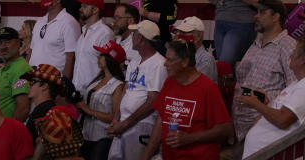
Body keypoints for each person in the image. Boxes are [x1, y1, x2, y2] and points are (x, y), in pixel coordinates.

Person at [239, 37, 305, 158]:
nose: (290, 55)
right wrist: (266, 104)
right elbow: (282, 114)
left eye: (294, 52)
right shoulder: (298, 83)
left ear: (303, 59)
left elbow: (282, 120)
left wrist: (256, 104)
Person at [141, 40, 231, 160]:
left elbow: (225, 128)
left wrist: (190, 138)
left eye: (170, 60)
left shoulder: (208, 88)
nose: (165, 64)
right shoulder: (170, 82)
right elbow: (161, 120)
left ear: (185, 62)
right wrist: (146, 156)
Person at [232, 0, 296, 148]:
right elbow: (241, 81)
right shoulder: (255, 44)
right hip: (240, 126)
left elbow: (294, 89)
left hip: (266, 127)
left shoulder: (288, 46)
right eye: (256, 12)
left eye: (262, 12)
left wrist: (266, 114)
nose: (256, 16)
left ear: (276, 17)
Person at [106, 21, 166, 160]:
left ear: (141, 38)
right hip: (123, 123)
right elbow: (126, 90)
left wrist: (125, 124)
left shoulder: (159, 64)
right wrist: (116, 119)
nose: (131, 37)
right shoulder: (135, 60)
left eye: (134, 34)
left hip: (141, 125)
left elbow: (153, 101)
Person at [77, 42, 126, 160]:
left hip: (102, 138)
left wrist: (88, 110)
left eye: (102, 55)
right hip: (85, 134)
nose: (98, 57)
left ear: (110, 59)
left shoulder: (118, 86)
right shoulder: (96, 80)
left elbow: (114, 117)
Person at [29, 0, 79, 79]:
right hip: (34, 77)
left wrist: (65, 82)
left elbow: (71, 57)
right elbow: (31, 51)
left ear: (57, 0)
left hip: (53, 80)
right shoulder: (40, 21)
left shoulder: (69, 22)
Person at [72, 0, 113, 94]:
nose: (80, 9)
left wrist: (95, 89)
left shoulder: (105, 33)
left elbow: (108, 67)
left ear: (95, 10)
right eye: (81, 6)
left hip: (93, 92)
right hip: (77, 90)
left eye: (85, 6)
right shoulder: (83, 32)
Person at [0, 28, 32, 121]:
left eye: (7, 42)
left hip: (4, 131)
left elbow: (23, 109)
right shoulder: (1, 70)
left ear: (18, 43)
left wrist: (8, 131)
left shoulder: (21, 68)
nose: (3, 47)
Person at [19, 64, 62, 142]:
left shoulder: (43, 111)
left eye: (32, 82)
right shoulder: (46, 109)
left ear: (44, 86)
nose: (28, 86)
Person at [171, 17, 217, 83]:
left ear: (198, 36)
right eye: (178, 32)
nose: (179, 36)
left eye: (184, 33)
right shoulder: (181, 55)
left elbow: (196, 85)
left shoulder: (205, 60)